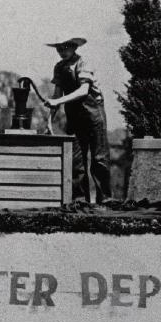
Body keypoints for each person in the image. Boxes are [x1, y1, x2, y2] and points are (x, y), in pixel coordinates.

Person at [38, 36, 111, 203]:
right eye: (58, 48)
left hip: (93, 112)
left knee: (99, 158)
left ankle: (105, 199)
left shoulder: (84, 63)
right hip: (74, 115)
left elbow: (83, 91)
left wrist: (57, 101)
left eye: (64, 48)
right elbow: (56, 95)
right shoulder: (59, 67)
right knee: (76, 159)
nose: (61, 52)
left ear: (73, 47)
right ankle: (79, 200)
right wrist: (49, 121)